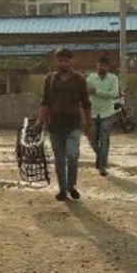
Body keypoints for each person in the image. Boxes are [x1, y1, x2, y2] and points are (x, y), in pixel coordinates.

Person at [38, 47, 94, 201]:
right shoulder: (50, 80)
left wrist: (89, 125)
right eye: (60, 60)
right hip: (54, 126)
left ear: (71, 61)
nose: (63, 63)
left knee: (72, 154)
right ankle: (63, 189)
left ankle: (71, 186)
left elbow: (86, 104)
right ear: (56, 61)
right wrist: (40, 121)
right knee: (59, 159)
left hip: (73, 125)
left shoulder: (79, 80)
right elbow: (45, 103)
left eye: (66, 60)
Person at [86, 55, 119, 177]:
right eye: (99, 64)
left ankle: (102, 166)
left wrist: (96, 92)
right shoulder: (90, 78)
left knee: (104, 140)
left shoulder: (113, 78)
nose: (101, 67)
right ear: (96, 65)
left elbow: (113, 94)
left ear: (108, 66)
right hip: (93, 113)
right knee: (92, 139)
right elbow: (86, 93)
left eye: (104, 65)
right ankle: (101, 158)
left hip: (107, 113)